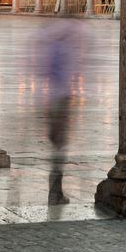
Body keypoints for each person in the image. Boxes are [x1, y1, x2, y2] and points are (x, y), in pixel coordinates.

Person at [40, 18, 83, 205]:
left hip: (51, 101)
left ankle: (55, 189)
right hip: (59, 102)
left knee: (57, 145)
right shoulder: (64, 50)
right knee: (59, 146)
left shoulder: (53, 47)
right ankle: (55, 191)